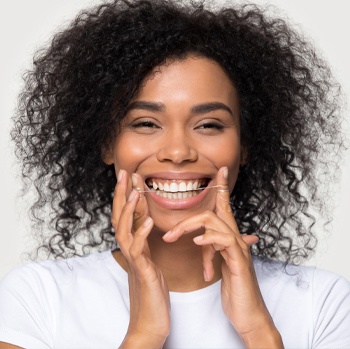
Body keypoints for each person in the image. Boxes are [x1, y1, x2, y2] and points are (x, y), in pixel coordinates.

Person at [0, 0, 349, 348]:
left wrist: (258, 331)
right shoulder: (36, 300)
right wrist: (145, 334)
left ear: (244, 147)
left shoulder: (324, 304)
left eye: (209, 124)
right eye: (146, 123)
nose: (178, 152)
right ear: (107, 144)